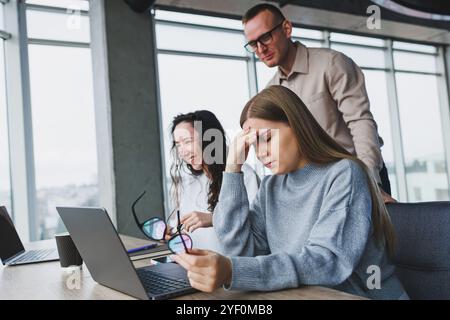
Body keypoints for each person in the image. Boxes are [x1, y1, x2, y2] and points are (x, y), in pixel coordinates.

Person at [172, 86, 408, 300]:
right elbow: (242, 252)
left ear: (297, 126)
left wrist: (233, 270)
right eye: (254, 145)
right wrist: (232, 170)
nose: (261, 153)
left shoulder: (345, 173)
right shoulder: (271, 187)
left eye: (267, 139)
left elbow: (326, 262)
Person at [241, 3, 395, 203]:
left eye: (265, 37)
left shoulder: (331, 64)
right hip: (315, 187)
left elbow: (360, 122)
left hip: (355, 175)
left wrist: (369, 180)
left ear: (286, 29)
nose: (261, 49)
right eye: (253, 44)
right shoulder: (272, 91)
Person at [169, 110, 259, 253]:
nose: (182, 151)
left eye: (187, 142)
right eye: (178, 144)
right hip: (194, 268)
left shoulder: (244, 175)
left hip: (231, 268)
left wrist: (213, 219)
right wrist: (171, 232)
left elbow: (255, 228)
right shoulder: (188, 183)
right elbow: (177, 228)